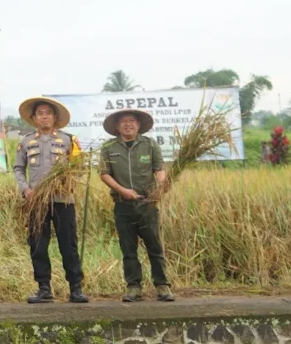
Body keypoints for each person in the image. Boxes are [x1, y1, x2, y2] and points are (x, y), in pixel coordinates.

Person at [14, 97, 88, 304]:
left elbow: (79, 168)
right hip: (36, 200)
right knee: (37, 244)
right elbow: (19, 169)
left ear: (55, 117)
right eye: (40, 113)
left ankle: (75, 288)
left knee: (68, 244)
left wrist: (68, 183)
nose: (44, 116)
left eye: (48, 113)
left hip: (63, 200)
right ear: (34, 118)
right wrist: (25, 189)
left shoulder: (68, 140)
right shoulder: (26, 141)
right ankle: (44, 288)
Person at [100, 109, 174, 302]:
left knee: (154, 245)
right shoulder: (109, 147)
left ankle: (162, 285)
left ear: (139, 125)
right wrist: (122, 190)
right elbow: (104, 173)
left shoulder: (149, 145)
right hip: (122, 205)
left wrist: (160, 184)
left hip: (147, 204)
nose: (128, 124)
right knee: (128, 248)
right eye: (123, 121)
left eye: (132, 121)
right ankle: (134, 286)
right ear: (117, 126)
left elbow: (159, 169)